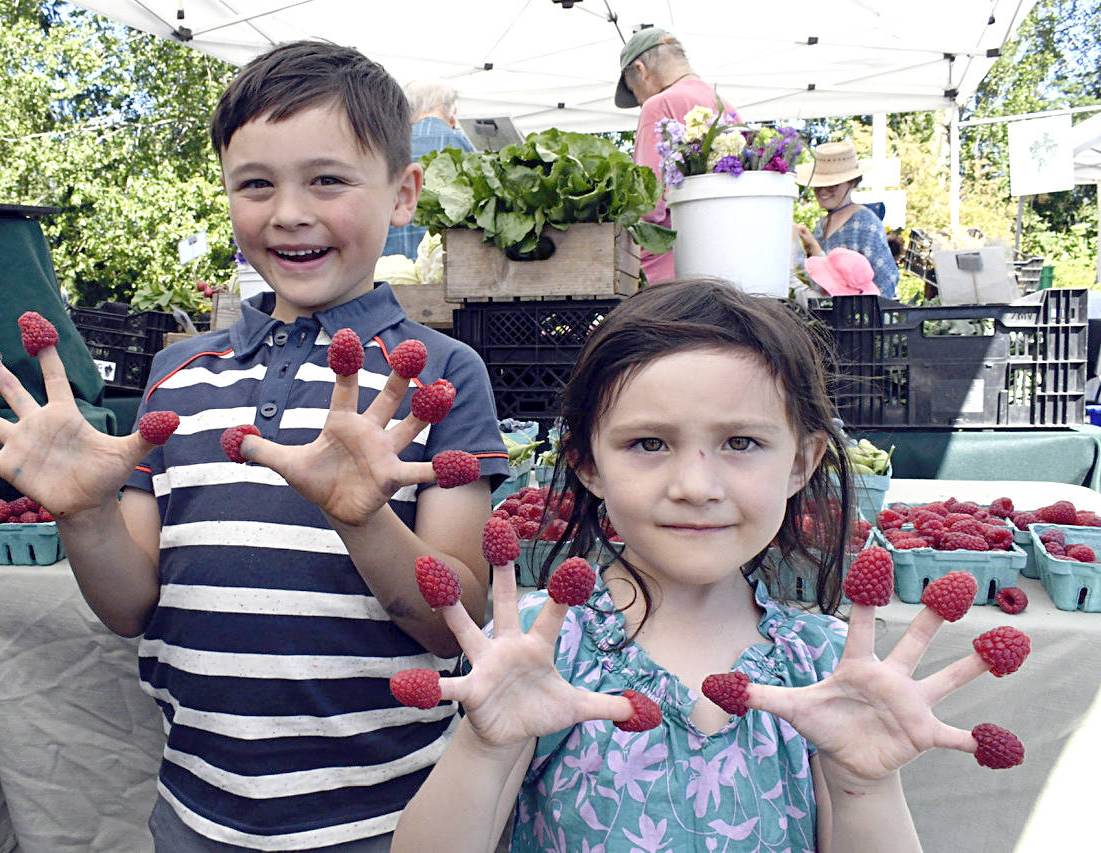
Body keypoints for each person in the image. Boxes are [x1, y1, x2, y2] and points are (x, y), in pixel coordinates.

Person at [0, 40, 509, 852]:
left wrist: (364, 518)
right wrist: (86, 514)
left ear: (404, 194)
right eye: (256, 184)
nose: (290, 212)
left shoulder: (439, 378)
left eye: (328, 179)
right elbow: (128, 605)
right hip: (198, 812)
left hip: (391, 815)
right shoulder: (176, 375)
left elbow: (458, 624)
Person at [392, 279, 1019, 852]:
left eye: (740, 442)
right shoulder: (540, 653)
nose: (695, 485)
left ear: (801, 462)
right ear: (586, 463)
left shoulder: (827, 667)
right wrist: (482, 748)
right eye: (649, 443)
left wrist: (865, 785)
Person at [615, 28, 738, 285]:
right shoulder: (727, 109)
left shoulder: (658, 105)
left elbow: (648, 204)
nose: (640, 102)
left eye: (635, 92)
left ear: (640, 69)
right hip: (725, 264)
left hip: (673, 274)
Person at [382, 79, 476, 259]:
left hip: (390, 261)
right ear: (450, 109)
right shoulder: (461, 143)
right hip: (441, 260)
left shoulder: (389, 143)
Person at [795, 141, 900, 298]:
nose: (823, 191)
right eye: (818, 185)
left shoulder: (865, 222)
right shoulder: (821, 225)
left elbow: (887, 279)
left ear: (852, 182)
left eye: (832, 186)